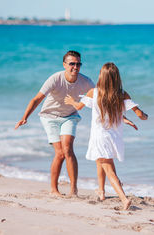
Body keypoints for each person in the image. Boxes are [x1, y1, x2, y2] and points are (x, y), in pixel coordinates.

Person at [64, 62, 148, 210]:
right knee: (101, 161)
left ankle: (124, 198)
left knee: (108, 168)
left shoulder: (94, 92)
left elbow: (78, 107)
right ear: (116, 78)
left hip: (100, 136)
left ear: (101, 77)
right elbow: (140, 114)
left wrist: (71, 101)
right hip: (114, 137)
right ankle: (101, 192)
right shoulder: (121, 94)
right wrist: (143, 116)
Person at [14, 50, 94, 197]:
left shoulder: (86, 81)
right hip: (49, 117)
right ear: (64, 65)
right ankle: (54, 189)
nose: (75, 67)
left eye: (78, 64)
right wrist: (25, 117)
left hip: (70, 116)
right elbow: (37, 99)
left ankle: (73, 190)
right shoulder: (55, 79)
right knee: (60, 153)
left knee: (68, 149)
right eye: (72, 64)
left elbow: (99, 97)